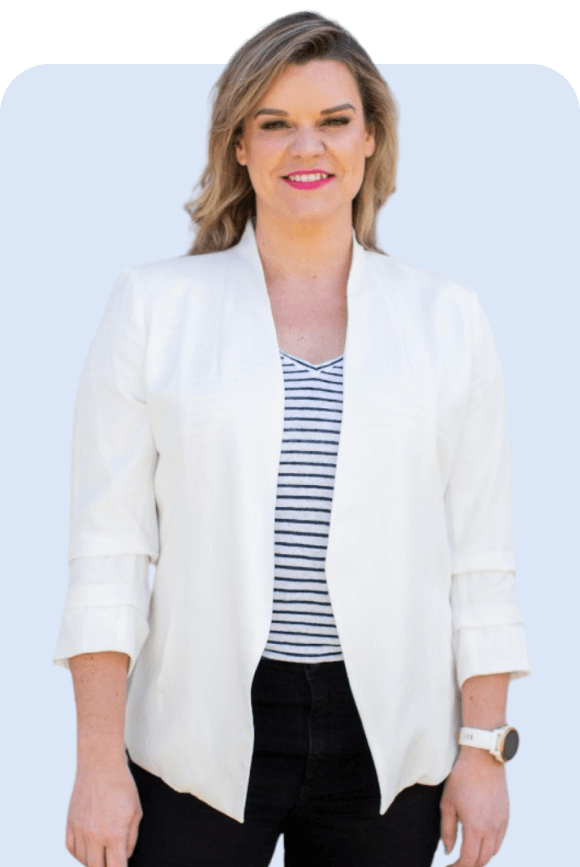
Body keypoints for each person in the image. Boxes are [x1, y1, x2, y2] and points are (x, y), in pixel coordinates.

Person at [53, 12, 533, 867]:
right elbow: (109, 551)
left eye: (332, 120)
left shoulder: (447, 318)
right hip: (194, 738)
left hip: (391, 737)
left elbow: (480, 557)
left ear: (371, 138)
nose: (303, 147)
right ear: (238, 145)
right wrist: (97, 760)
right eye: (273, 123)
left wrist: (482, 749)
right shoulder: (153, 307)